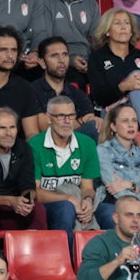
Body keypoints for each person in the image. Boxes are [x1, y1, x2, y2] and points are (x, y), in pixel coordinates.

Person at [29, 95, 99, 234]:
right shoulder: (34, 145)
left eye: (71, 116)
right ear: (49, 118)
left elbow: (87, 187)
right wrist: (68, 198)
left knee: (112, 213)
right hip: (46, 206)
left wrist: (88, 200)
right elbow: (34, 192)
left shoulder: (87, 144)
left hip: (78, 201)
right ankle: (69, 254)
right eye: (61, 116)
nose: (67, 121)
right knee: (66, 208)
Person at [95, 101, 140, 228]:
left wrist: (129, 185)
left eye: (134, 121)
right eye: (125, 121)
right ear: (113, 126)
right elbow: (113, 189)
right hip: (111, 204)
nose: (131, 125)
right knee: (131, 220)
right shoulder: (103, 151)